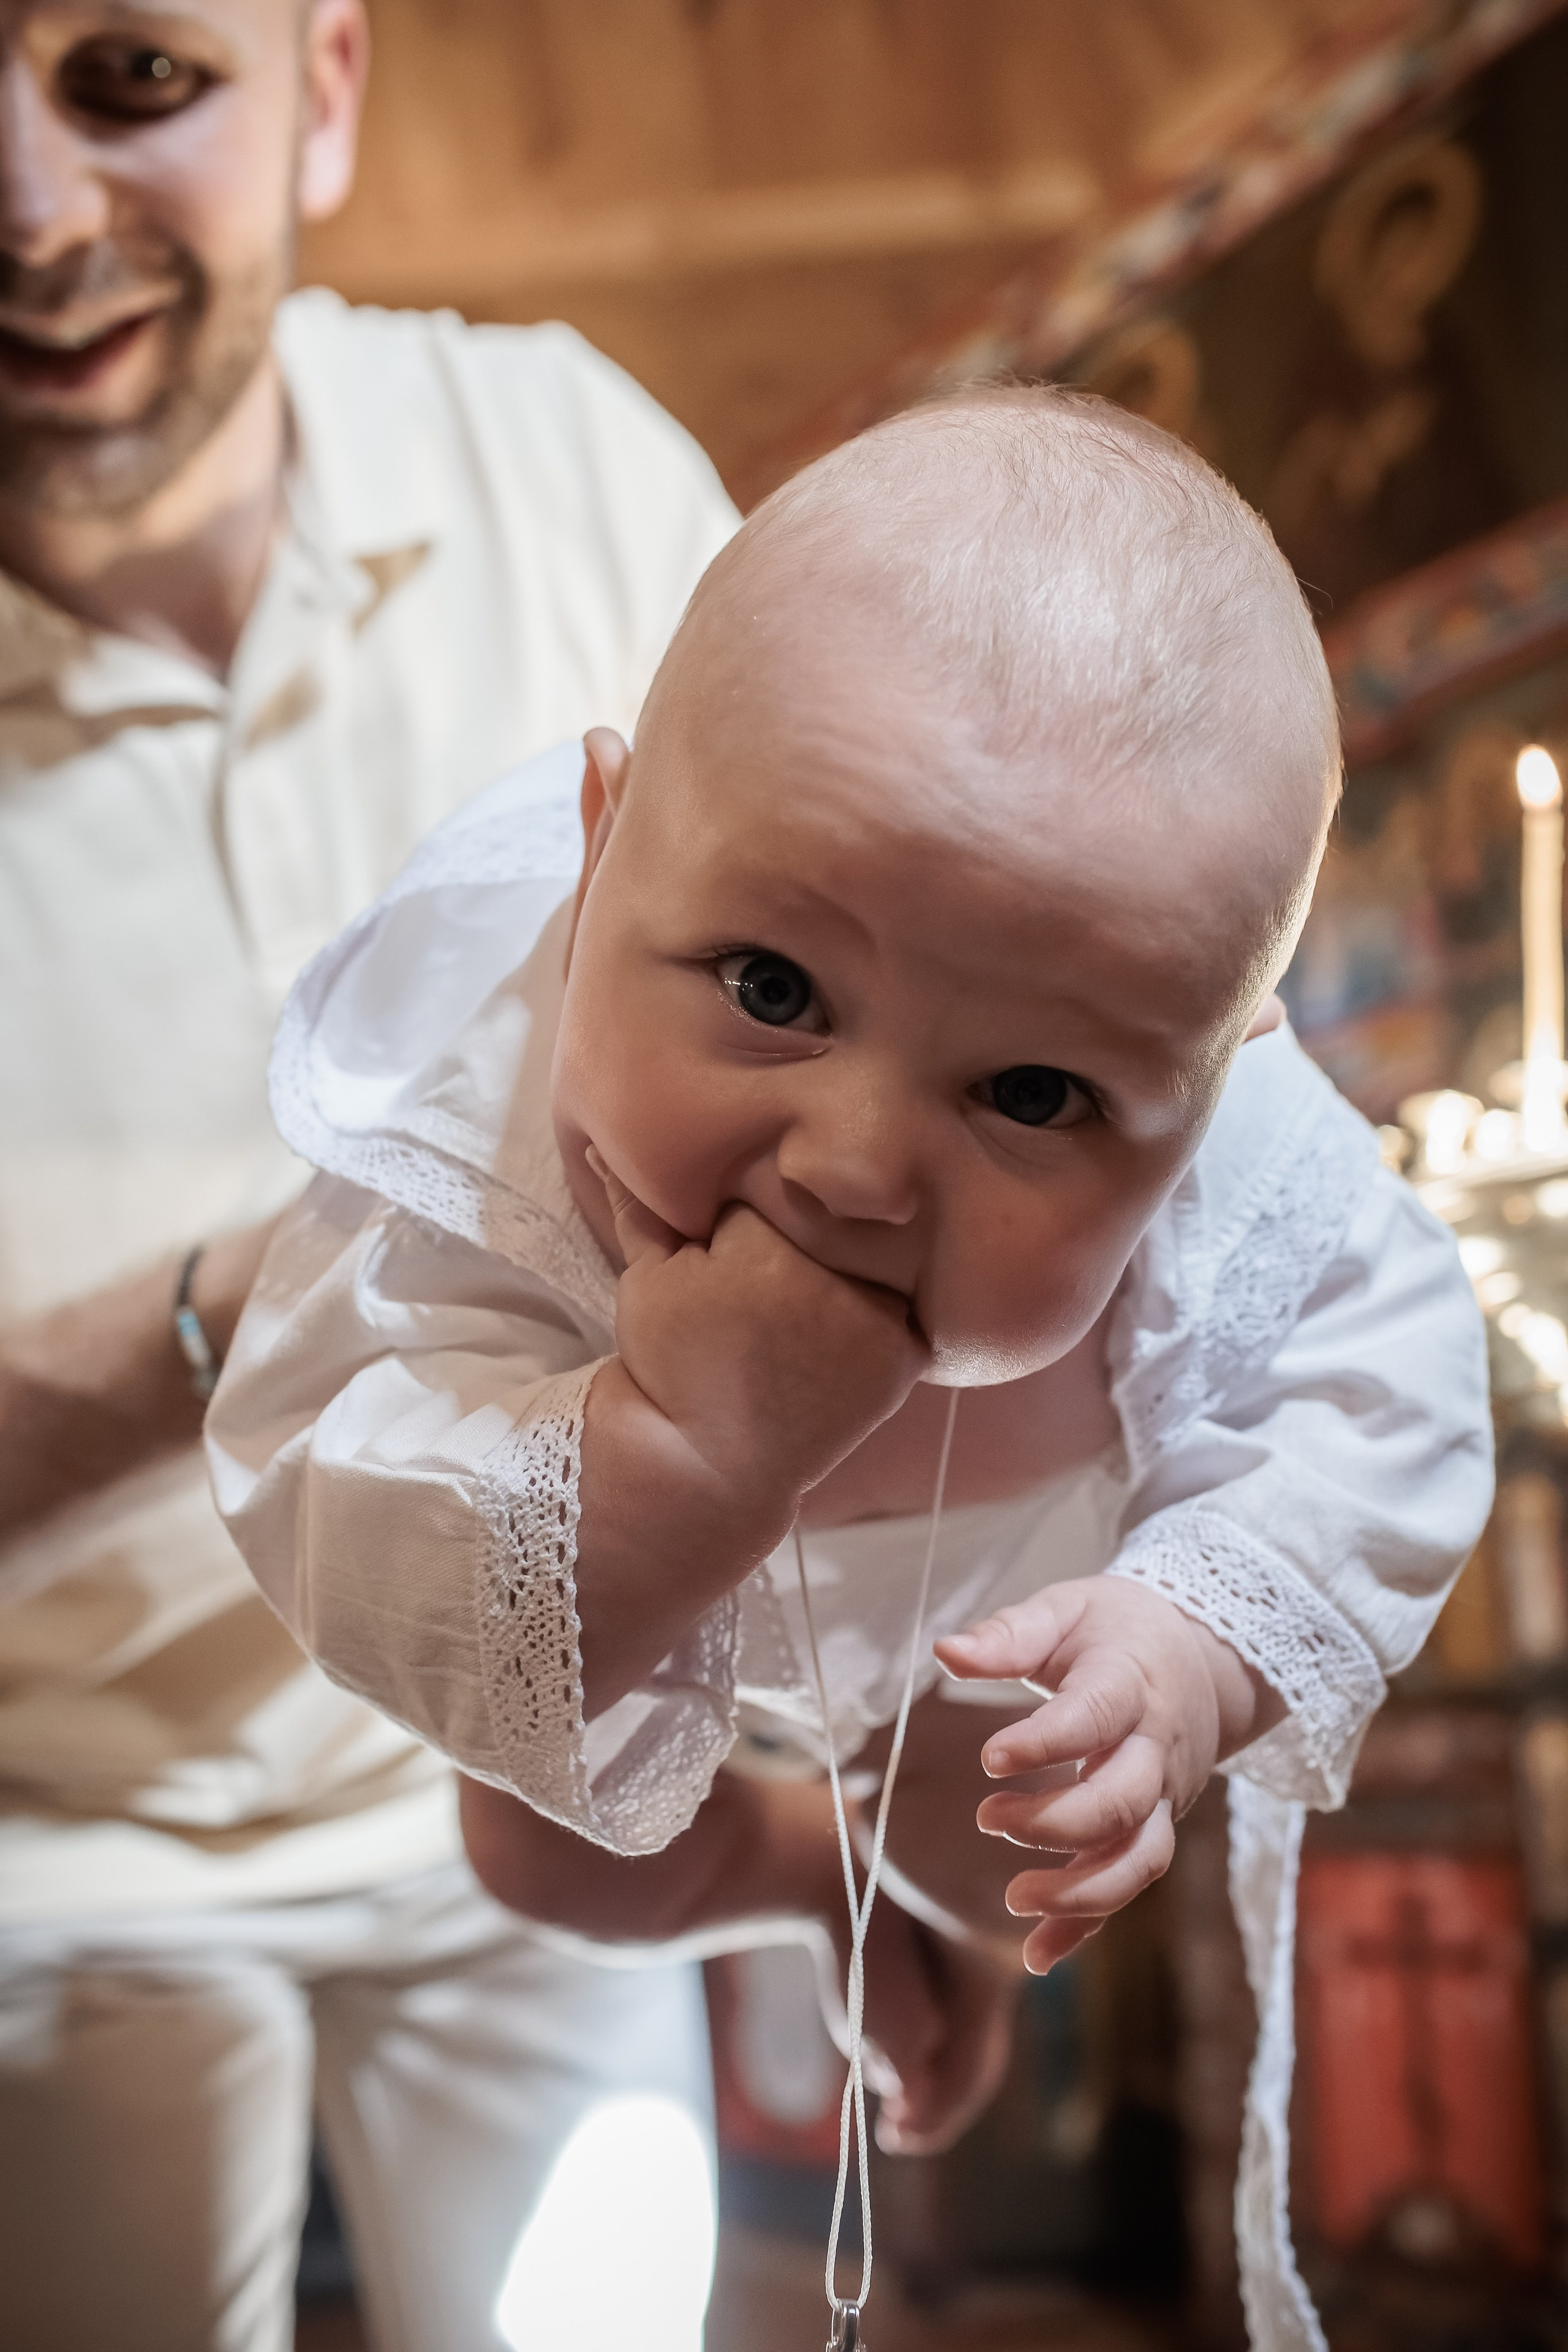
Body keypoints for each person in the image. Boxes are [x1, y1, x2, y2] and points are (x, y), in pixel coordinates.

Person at [208, 388, 1493, 2347]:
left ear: (1209, 1093)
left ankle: (904, 1880)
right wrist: (672, 1450)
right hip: (621, 1588)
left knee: (1019, 1830)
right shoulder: (480, 1120)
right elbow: (321, 1456)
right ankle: (796, 1868)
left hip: (1010, 1594)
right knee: (532, 1854)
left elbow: (1388, 1394)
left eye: (1035, 1095)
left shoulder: (1258, 1189)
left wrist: (1192, 1639)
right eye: (772, 990)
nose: (856, 1169)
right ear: (600, 851)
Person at [0, 2, 739, 2347]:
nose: (29, 213)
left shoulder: (567, 462)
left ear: (326, 88)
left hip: (547, 1757)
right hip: (46, 1838)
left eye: (131, 79)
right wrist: (271, 1305)